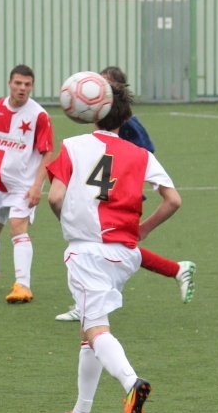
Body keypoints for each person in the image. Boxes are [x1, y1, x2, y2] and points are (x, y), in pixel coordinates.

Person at [46, 76, 182, 413]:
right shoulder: (142, 155)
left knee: (96, 329)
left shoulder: (72, 146)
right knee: (88, 332)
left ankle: (131, 382)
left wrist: (73, 223)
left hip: (87, 253)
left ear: (92, 112)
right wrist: (146, 229)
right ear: (125, 118)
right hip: (124, 255)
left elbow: (55, 199)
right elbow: (173, 200)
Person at [55, 66, 195, 321]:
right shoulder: (91, 135)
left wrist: (127, 163)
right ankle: (176, 270)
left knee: (111, 247)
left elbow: (145, 149)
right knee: (118, 249)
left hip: (118, 190)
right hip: (102, 187)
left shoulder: (127, 126)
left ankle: (90, 307)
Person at [0, 64, 55, 303]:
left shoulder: (39, 115)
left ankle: (22, 286)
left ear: (32, 86)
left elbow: (47, 153)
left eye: (27, 84)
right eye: (18, 83)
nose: (22, 88)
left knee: (18, 227)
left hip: (23, 187)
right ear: (10, 83)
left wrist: (37, 186)